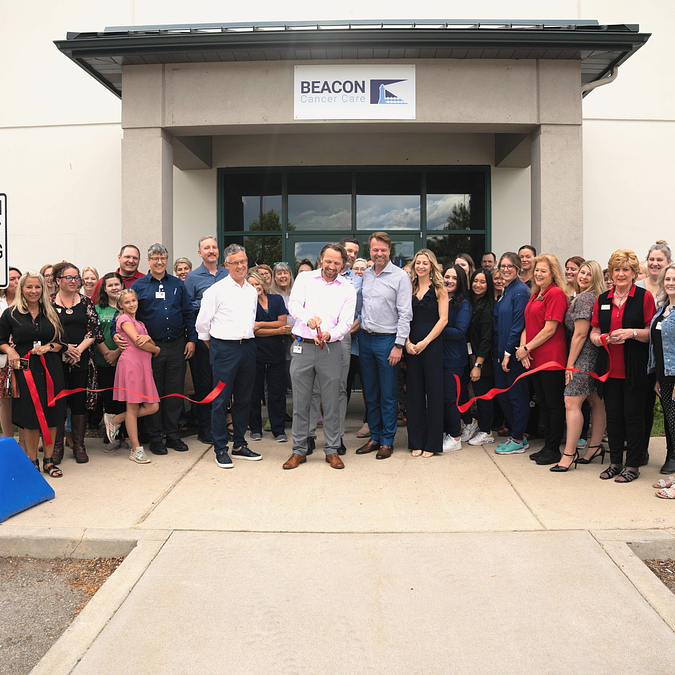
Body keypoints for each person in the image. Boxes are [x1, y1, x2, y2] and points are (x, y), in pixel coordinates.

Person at [283, 243, 356, 470]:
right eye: (328, 261)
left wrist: (329, 334)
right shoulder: (305, 280)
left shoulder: (347, 288)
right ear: (320, 259)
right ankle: (299, 450)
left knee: (332, 401)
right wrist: (307, 319)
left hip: (331, 349)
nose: (332, 266)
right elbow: (294, 305)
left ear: (343, 264)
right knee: (301, 402)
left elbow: (346, 322)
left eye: (337, 262)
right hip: (303, 346)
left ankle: (332, 449)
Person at [590, 249, 655, 483]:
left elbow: (652, 334)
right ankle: (615, 463)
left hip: (635, 370)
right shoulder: (602, 299)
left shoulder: (644, 298)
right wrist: (598, 339)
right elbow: (595, 331)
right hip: (610, 370)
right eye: (616, 269)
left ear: (634, 273)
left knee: (633, 417)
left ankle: (634, 465)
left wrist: (632, 333)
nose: (620, 274)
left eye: (625, 269)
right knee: (614, 418)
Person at [126, 244, 197, 455]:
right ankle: (155, 438)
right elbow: (126, 314)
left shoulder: (177, 284)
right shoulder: (138, 286)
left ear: (167, 260)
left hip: (177, 345)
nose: (159, 262)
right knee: (153, 394)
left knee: (174, 392)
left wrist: (191, 339)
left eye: (163, 258)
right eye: (155, 258)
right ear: (149, 260)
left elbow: (188, 313)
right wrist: (118, 335)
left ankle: (173, 435)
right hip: (150, 348)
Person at [196, 244, 260, 468]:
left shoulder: (251, 290)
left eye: (244, 261)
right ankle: (221, 448)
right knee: (221, 400)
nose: (241, 266)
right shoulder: (216, 290)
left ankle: (240, 444)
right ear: (227, 265)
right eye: (236, 263)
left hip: (248, 347)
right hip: (224, 349)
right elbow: (202, 324)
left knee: (244, 398)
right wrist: (216, 346)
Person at [0, 271, 66, 477]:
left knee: (52, 413)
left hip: (51, 369)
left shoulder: (53, 312)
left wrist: (49, 347)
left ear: (43, 289)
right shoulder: (10, 314)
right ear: (21, 289)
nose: (33, 291)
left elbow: (62, 342)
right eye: (29, 287)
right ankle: (31, 461)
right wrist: (10, 350)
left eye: (37, 287)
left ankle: (49, 460)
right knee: (30, 415)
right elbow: (0, 340)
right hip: (25, 370)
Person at [356, 232, 412, 460]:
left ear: (390, 250)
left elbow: (405, 313)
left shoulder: (400, 277)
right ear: (369, 250)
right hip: (366, 339)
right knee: (370, 393)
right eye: (375, 249)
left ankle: (387, 441)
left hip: (388, 341)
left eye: (383, 250)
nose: (379, 253)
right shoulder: (366, 275)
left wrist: (399, 345)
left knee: (388, 395)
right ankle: (375, 436)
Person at [551, 261, 608, 471]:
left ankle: (569, 453)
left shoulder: (585, 298)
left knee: (571, 401)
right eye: (582, 272)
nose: (583, 277)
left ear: (596, 279)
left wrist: (569, 365)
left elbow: (580, 334)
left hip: (584, 357)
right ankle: (594, 447)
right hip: (594, 357)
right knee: (595, 400)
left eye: (589, 274)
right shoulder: (590, 297)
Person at [515, 254, 569, 466]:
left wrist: (527, 347)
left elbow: (550, 329)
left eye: (543, 271)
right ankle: (547, 446)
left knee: (554, 405)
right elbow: (528, 325)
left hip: (551, 358)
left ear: (552, 273)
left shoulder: (555, 294)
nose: (538, 274)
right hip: (535, 357)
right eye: (537, 270)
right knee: (544, 404)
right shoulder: (536, 294)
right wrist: (523, 349)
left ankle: (554, 449)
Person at [51, 261, 104, 464]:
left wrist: (78, 350)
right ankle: (56, 448)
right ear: (58, 280)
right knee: (57, 402)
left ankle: (79, 446)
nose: (74, 281)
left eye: (76, 278)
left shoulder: (86, 303)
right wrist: (66, 348)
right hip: (55, 359)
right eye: (69, 277)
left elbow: (94, 330)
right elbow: (44, 330)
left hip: (81, 360)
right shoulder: (48, 302)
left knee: (79, 402)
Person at [103, 289, 160, 464]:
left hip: (143, 367)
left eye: (134, 300)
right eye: (127, 302)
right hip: (131, 367)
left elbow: (146, 341)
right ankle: (136, 449)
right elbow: (139, 342)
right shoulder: (124, 319)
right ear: (120, 305)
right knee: (133, 408)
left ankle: (117, 418)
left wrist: (149, 340)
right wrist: (156, 349)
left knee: (153, 407)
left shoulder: (140, 322)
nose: (132, 304)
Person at [184, 236, 229, 445]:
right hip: (204, 340)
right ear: (200, 253)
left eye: (214, 247)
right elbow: (188, 309)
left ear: (218, 251)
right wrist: (207, 303)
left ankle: (219, 427)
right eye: (206, 248)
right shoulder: (192, 278)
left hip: (226, 338)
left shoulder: (227, 274)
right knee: (204, 384)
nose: (211, 250)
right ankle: (205, 428)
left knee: (222, 383)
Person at [405, 250, 448, 457]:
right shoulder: (408, 288)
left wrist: (425, 342)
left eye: (425, 263)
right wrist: (406, 342)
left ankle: (431, 444)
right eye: (418, 263)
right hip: (411, 347)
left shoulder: (440, 289)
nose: (421, 266)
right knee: (414, 394)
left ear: (432, 266)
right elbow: (402, 316)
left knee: (434, 394)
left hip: (431, 347)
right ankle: (416, 441)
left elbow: (443, 319)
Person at [637, 240, 672, 467]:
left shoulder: (670, 289)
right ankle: (640, 450)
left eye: (660, 260)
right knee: (643, 406)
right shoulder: (639, 287)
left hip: (666, 359)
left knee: (670, 408)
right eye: (652, 259)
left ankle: (672, 454)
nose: (655, 263)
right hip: (643, 357)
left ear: (669, 263)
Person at [246, 270, 290, 442]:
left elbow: (283, 323)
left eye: (257, 283)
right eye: (251, 285)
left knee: (277, 392)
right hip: (254, 353)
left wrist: (261, 325)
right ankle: (255, 428)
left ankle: (278, 429)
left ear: (263, 284)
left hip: (276, 353)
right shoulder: (246, 304)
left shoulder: (276, 299)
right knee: (254, 393)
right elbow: (251, 330)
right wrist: (277, 330)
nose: (255, 287)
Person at [493, 252, 530, 454]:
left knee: (517, 397)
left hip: (513, 354)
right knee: (503, 395)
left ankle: (518, 438)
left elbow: (518, 325)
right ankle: (517, 434)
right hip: (500, 352)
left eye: (510, 266)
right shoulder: (505, 291)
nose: (506, 269)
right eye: (503, 266)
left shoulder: (520, 291)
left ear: (517, 268)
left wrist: (508, 352)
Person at [441, 265, 472, 452]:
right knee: (444, 398)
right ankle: (447, 432)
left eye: (454, 278)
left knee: (450, 399)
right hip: (441, 358)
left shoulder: (463, 304)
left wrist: (434, 329)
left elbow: (460, 331)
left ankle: (455, 437)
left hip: (454, 360)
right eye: (447, 276)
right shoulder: (442, 299)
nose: (449, 281)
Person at [648, 264, 675, 476]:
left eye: (674, 279)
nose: (671, 283)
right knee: (669, 417)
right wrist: (658, 375)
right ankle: (671, 456)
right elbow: (657, 345)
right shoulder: (662, 309)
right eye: (668, 279)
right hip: (664, 374)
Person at [94, 272, 125, 450]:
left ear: (122, 285)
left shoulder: (127, 307)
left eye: (117, 284)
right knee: (108, 399)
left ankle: (126, 433)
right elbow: (95, 334)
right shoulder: (98, 309)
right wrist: (107, 353)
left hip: (124, 360)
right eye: (110, 285)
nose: (114, 288)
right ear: (104, 289)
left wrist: (117, 352)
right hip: (103, 360)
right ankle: (113, 436)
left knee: (124, 398)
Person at [467, 268, 496, 446]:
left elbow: (487, 339)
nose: (478, 285)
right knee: (476, 393)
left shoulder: (487, 307)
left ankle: (487, 432)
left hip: (483, 361)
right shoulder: (470, 303)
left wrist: (478, 365)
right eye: (475, 281)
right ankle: (477, 426)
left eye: (482, 282)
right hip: (472, 355)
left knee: (484, 397)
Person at [0, 267, 21, 442]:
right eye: (12, 279)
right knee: (4, 400)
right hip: (1, 358)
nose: (15, 282)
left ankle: (24, 441)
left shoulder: (26, 303)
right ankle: (8, 440)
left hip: (22, 358)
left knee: (22, 400)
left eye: (18, 278)